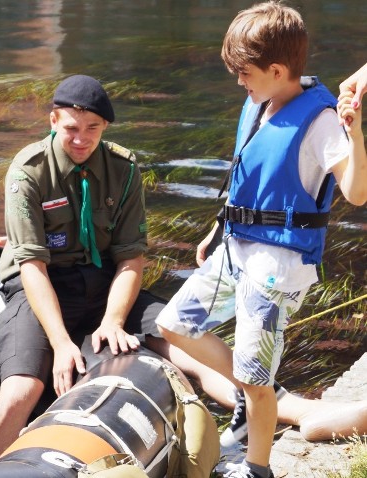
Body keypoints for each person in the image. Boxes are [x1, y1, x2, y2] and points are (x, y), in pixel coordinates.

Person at [155, 3, 367, 478]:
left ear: (276, 69)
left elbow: (356, 192)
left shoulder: (322, 123)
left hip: (276, 264)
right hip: (236, 245)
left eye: (244, 72)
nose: (238, 82)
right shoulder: (259, 101)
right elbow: (249, 176)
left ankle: (257, 466)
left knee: (256, 379)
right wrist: (218, 224)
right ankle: (249, 401)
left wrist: (355, 136)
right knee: (174, 323)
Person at [0, 73, 169, 466]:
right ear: (53, 122)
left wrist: (114, 321)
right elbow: (31, 266)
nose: (82, 139)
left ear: (106, 126)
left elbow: (131, 257)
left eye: (93, 129)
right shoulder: (28, 171)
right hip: (39, 285)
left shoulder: (123, 168)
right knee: (21, 390)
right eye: (71, 129)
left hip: (101, 281)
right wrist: (61, 345)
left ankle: (265, 408)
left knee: (181, 336)